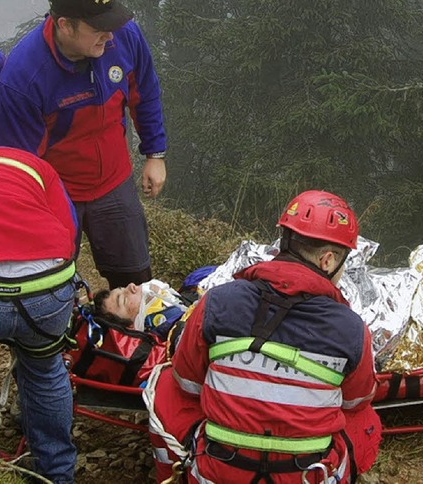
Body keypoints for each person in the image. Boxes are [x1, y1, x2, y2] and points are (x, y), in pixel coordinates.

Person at [144, 190, 382, 483]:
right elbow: (355, 401)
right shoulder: (353, 328)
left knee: (166, 383)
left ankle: (174, 471)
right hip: (306, 475)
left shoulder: (218, 302)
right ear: (328, 261)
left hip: (219, 473)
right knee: (364, 417)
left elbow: (187, 381)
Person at [0, 0, 168, 289]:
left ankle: (135, 338)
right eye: (99, 28)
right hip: (58, 195)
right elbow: (17, 168)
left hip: (114, 182)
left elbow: (145, 91)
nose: (110, 36)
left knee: (135, 283)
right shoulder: (24, 77)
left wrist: (155, 153)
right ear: (65, 26)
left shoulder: (124, 35)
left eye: (112, 24)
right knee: (56, 286)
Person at [0, 147, 78, 483]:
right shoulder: (31, 164)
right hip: (48, 290)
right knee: (44, 372)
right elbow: (69, 230)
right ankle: (57, 474)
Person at [94, 279, 190, 339]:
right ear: (131, 327)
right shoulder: (181, 338)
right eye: (124, 300)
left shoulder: (193, 285)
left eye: (123, 288)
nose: (132, 285)